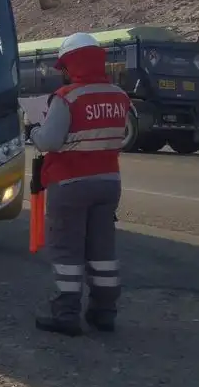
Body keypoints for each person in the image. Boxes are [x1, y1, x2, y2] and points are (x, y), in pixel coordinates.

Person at [27, 32, 130, 337]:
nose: (64, 72)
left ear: (73, 63)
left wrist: (33, 131)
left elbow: (49, 141)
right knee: (102, 249)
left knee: (67, 250)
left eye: (65, 66)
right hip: (109, 182)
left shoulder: (68, 97)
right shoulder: (119, 96)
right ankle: (104, 312)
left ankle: (66, 313)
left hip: (70, 183)